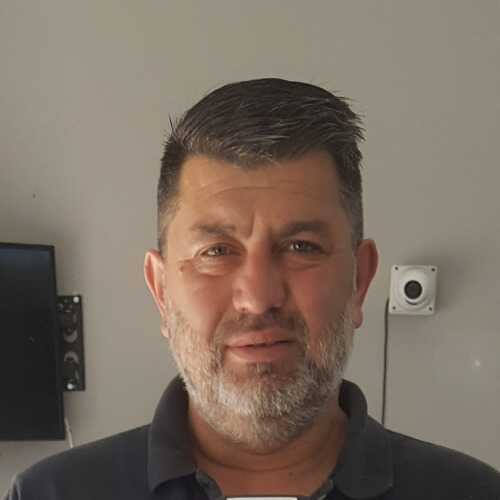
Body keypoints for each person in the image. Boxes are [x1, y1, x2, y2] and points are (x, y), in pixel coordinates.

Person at [5, 78, 500, 500]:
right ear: (161, 289)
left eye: (301, 247)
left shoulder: (472, 492)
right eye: (217, 251)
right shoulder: (50, 494)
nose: (259, 297)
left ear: (359, 280)